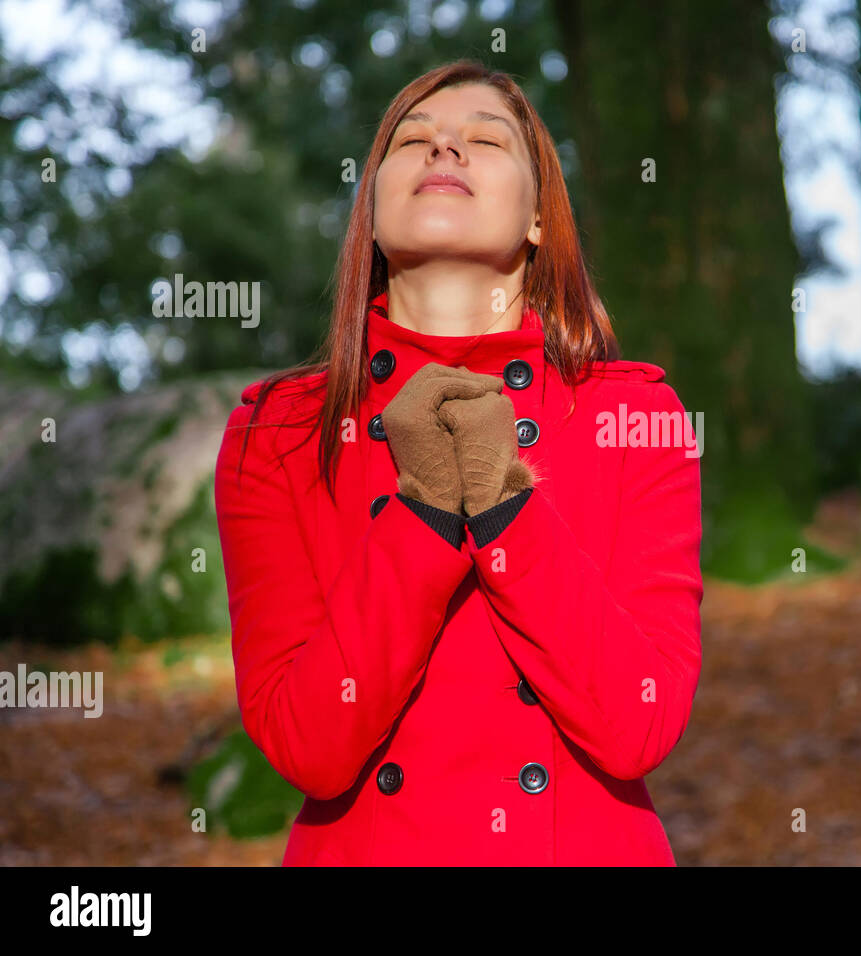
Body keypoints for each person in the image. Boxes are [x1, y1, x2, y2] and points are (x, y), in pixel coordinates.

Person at [213, 60, 703, 865]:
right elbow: (307, 745)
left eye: (484, 138)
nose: (444, 150)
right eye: (412, 140)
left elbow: (640, 723)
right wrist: (427, 516)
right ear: (367, 215)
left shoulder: (636, 417)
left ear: (541, 218)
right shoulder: (279, 432)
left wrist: (507, 508)